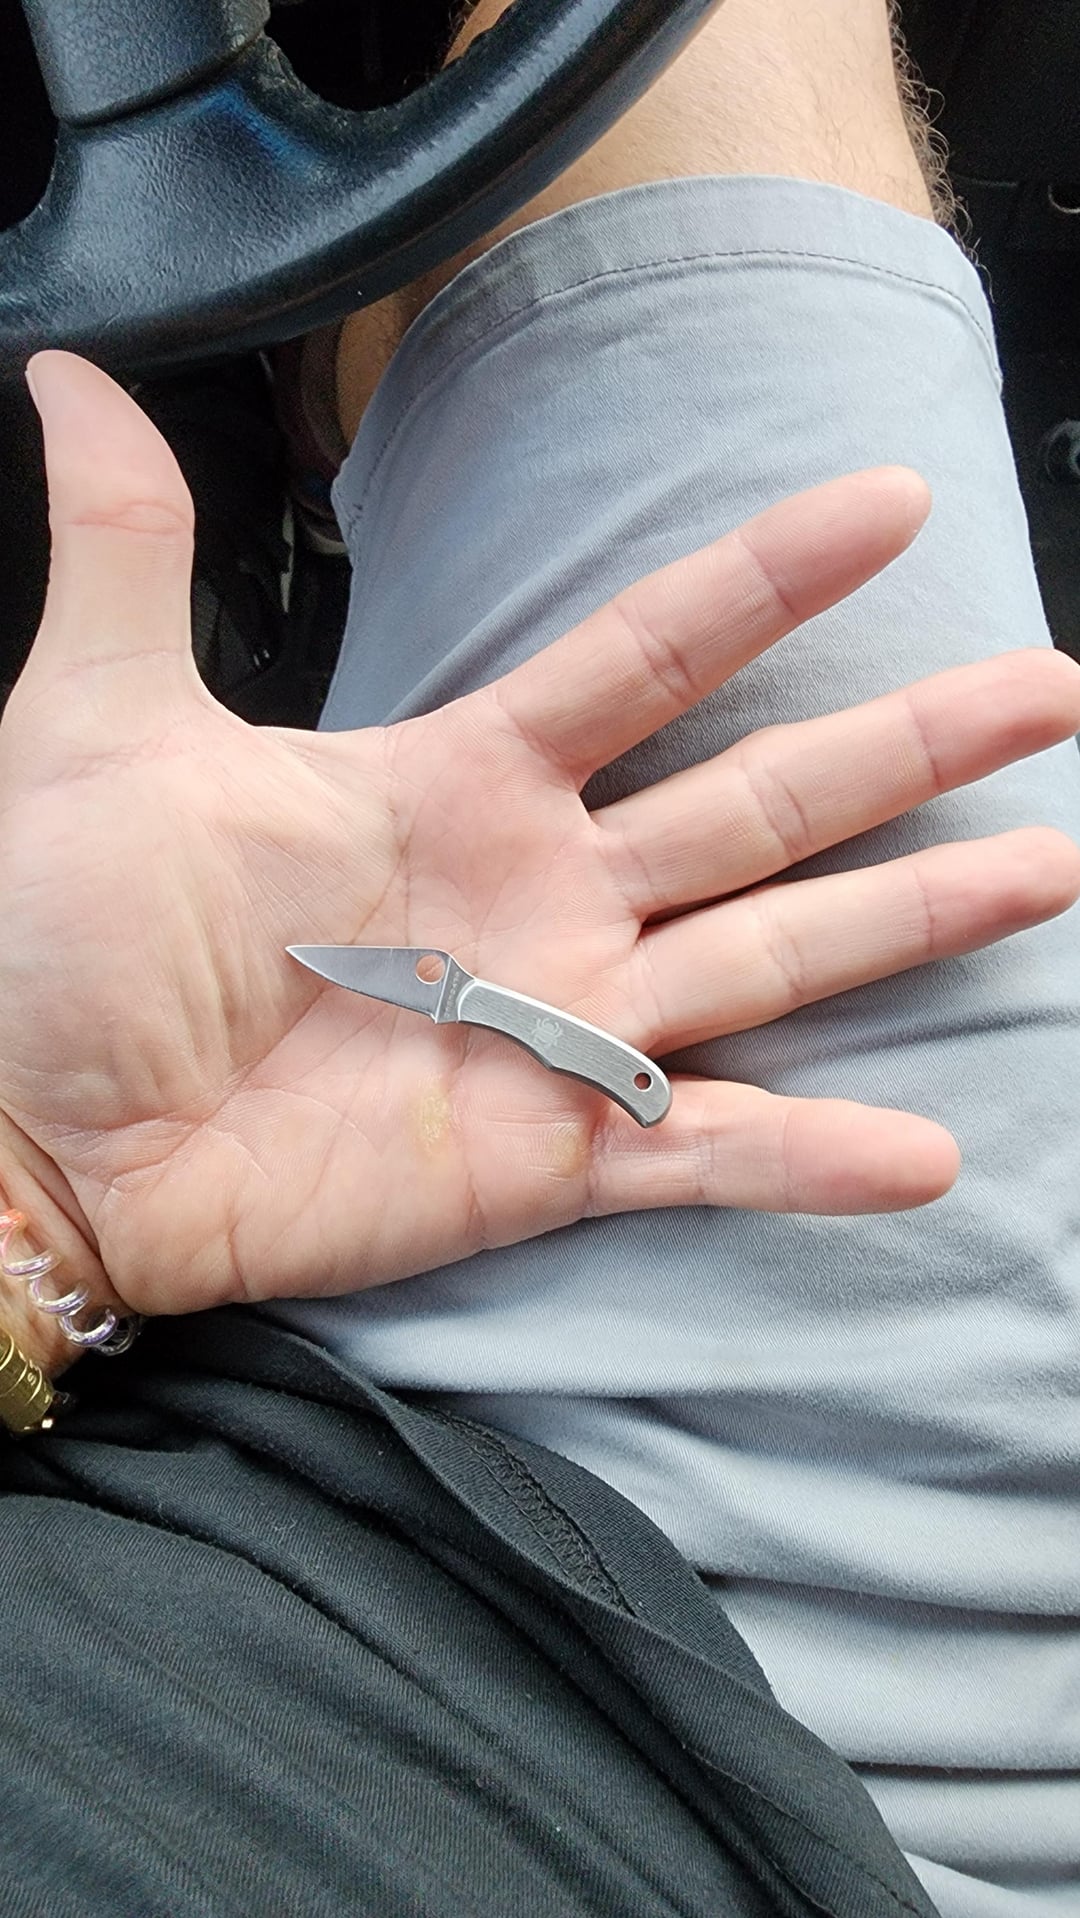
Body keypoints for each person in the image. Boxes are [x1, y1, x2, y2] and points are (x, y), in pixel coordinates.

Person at [1, 1, 1078, 1912]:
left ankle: (355, 383)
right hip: (894, 1697)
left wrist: (42, 1194)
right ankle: (363, 364)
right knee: (704, 61)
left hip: (385, 1539)